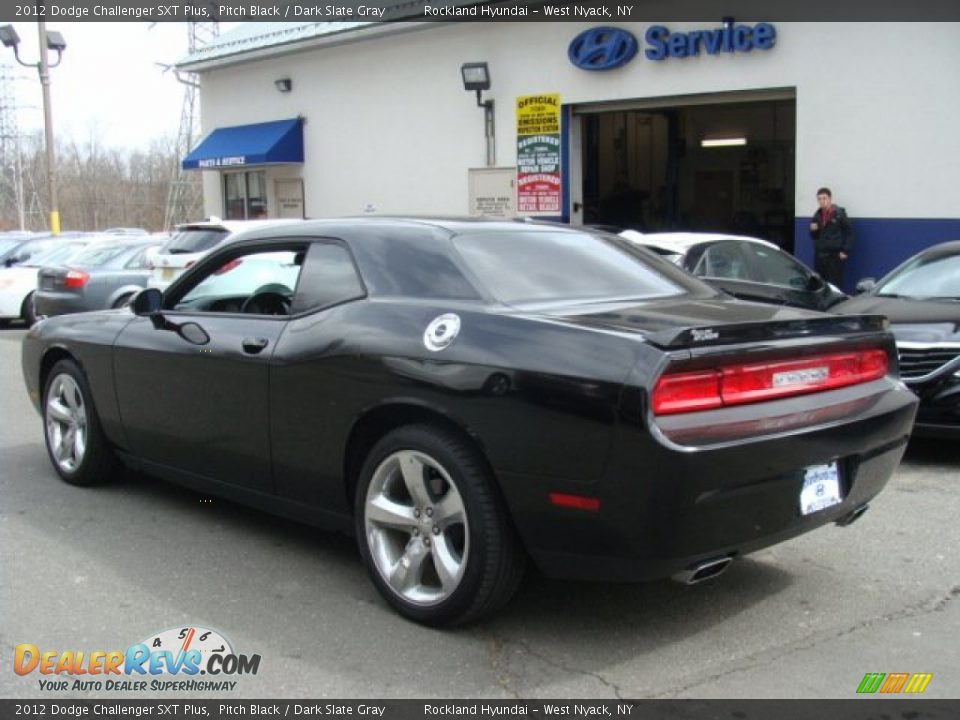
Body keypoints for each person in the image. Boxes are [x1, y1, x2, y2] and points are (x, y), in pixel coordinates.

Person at [809, 187, 854, 287]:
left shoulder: (838, 214)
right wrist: (813, 230)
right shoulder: (817, 215)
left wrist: (845, 251)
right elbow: (814, 236)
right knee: (820, 283)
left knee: (834, 283)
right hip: (820, 256)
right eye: (819, 199)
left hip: (834, 255)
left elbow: (849, 232)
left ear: (830, 199)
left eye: (824, 198)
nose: (822, 201)